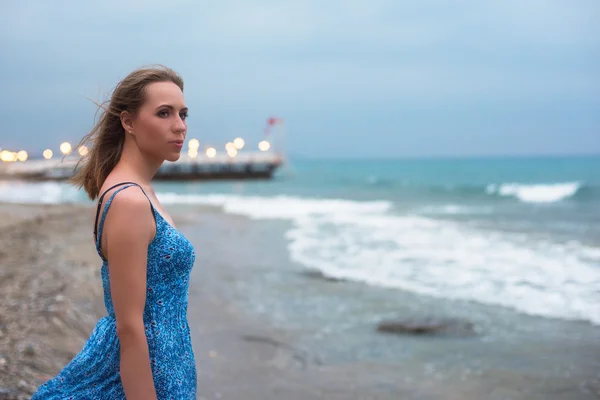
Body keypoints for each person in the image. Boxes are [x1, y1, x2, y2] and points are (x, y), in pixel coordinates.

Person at [31, 65, 197, 399]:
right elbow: (129, 326)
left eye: (183, 113)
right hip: (143, 375)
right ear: (128, 121)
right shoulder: (129, 200)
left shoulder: (138, 190)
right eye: (164, 113)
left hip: (166, 364)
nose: (179, 126)